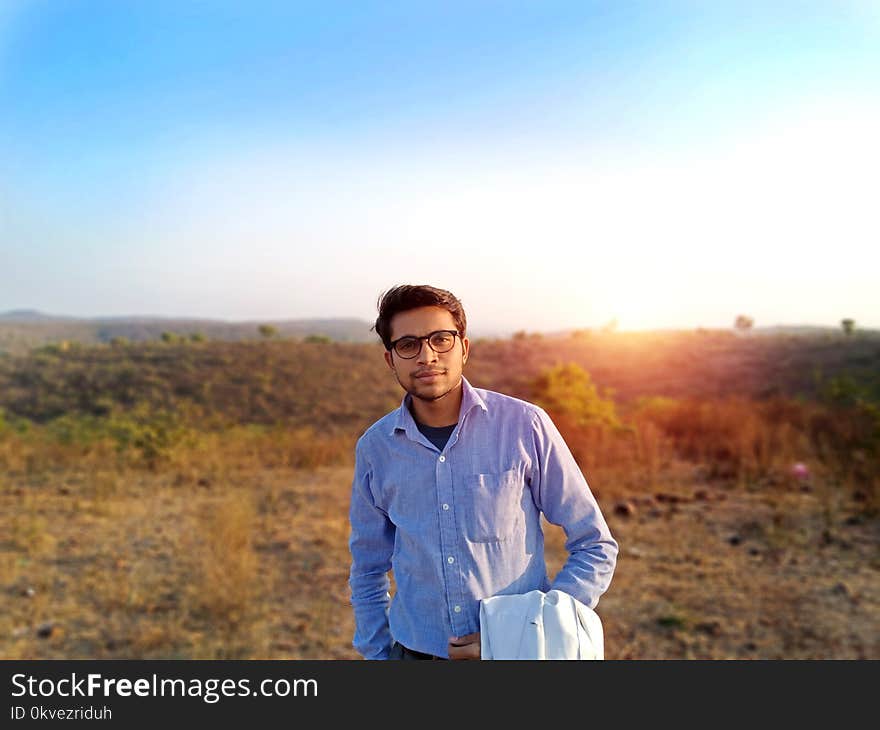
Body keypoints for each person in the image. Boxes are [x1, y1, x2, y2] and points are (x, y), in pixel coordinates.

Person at [348, 284, 618, 660]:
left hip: (517, 656)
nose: (427, 356)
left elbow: (594, 545)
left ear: (464, 348)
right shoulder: (376, 448)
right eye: (408, 345)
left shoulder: (525, 426)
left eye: (441, 339)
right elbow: (367, 569)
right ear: (390, 360)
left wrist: (533, 629)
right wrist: (379, 656)